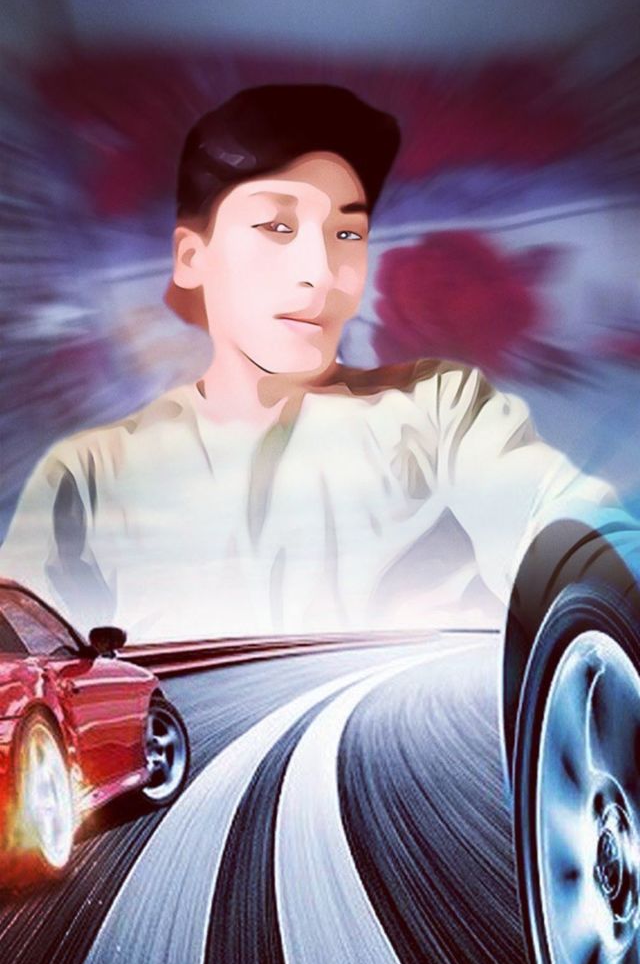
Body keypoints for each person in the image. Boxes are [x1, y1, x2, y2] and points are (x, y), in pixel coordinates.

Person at [0, 84, 616, 642]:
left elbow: (574, 529)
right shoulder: (89, 477)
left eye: (346, 235)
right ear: (192, 258)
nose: (321, 273)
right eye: (277, 227)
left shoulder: (440, 411)